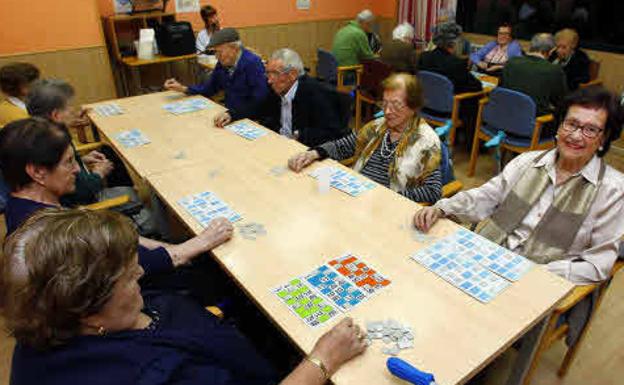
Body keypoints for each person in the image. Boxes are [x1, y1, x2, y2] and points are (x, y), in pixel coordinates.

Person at [1, 208, 367, 385]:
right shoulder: (156, 376)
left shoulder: (41, 323)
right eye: (129, 277)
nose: (142, 274)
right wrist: (323, 359)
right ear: (90, 313)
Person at [0, 117, 235, 306]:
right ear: (38, 173)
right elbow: (129, 266)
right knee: (223, 276)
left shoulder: (22, 204)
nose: (76, 170)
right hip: (137, 292)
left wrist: (177, 249)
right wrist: (196, 244)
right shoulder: (48, 231)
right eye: (68, 162)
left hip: (134, 265)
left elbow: (124, 243)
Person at [414, 86, 624, 285]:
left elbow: (597, 265)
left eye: (590, 130)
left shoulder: (612, 191)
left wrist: (533, 273)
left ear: (604, 139)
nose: (576, 135)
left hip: (539, 281)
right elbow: (485, 197)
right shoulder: (528, 162)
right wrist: (443, 208)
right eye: (571, 124)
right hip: (487, 257)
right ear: (559, 127)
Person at [288, 73, 442, 204]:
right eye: (385, 103)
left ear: (413, 106)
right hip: (357, 196)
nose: (387, 111)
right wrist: (314, 153)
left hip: (384, 206)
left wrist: (389, 197)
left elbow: (433, 191)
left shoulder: (426, 141)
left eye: (396, 105)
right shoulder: (378, 126)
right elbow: (345, 146)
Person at [214, 48, 348, 147]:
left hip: (303, 151)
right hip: (280, 144)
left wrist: (297, 135)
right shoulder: (277, 89)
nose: (269, 80)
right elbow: (257, 107)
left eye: (274, 74)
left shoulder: (316, 94)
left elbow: (332, 132)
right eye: (268, 73)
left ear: (293, 74)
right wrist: (231, 114)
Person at [164, 28, 268, 120]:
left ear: (234, 48)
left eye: (219, 52)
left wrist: (232, 114)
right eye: (215, 52)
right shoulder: (223, 63)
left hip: (249, 119)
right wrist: (183, 88)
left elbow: (258, 101)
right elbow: (209, 88)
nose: (217, 57)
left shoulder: (253, 64)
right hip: (230, 115)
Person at [418, 22, 482, 147]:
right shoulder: (456, 63)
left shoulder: (424, 57)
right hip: (448, 110)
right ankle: (472, 145)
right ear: (453, 42)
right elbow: (477, 86)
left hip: (425, 105)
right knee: (475, 101)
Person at [501, 33, 567, 120]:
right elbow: (561, 102)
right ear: (551, 51)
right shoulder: (554, 70)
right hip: (534, 124)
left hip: (503, 117)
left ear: (531, 45)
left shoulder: (511, 62)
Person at [0, 62, 39, 128]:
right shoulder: (23, 118)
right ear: (23, 87)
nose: (39, 85)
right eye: (36, 82)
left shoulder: (2, 106)